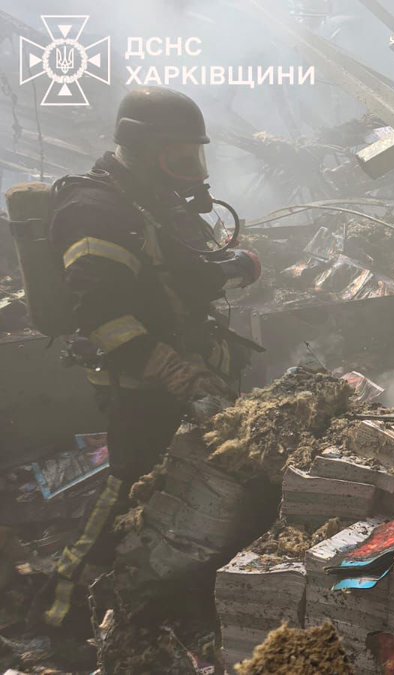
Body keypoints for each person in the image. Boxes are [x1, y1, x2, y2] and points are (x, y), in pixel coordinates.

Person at [37, 86, 257, 629]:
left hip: (186, 369)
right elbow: (104, 317)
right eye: (178, 158)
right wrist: (178, 375)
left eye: (195, 157)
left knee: (190, 479)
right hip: (140, 384)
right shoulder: (93, 211)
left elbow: (184, 274)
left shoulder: (148, 200)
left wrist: (231, 268)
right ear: (140, 148)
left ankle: (174, 588)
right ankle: (59, 611)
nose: (191, 171)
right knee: (128, 485)